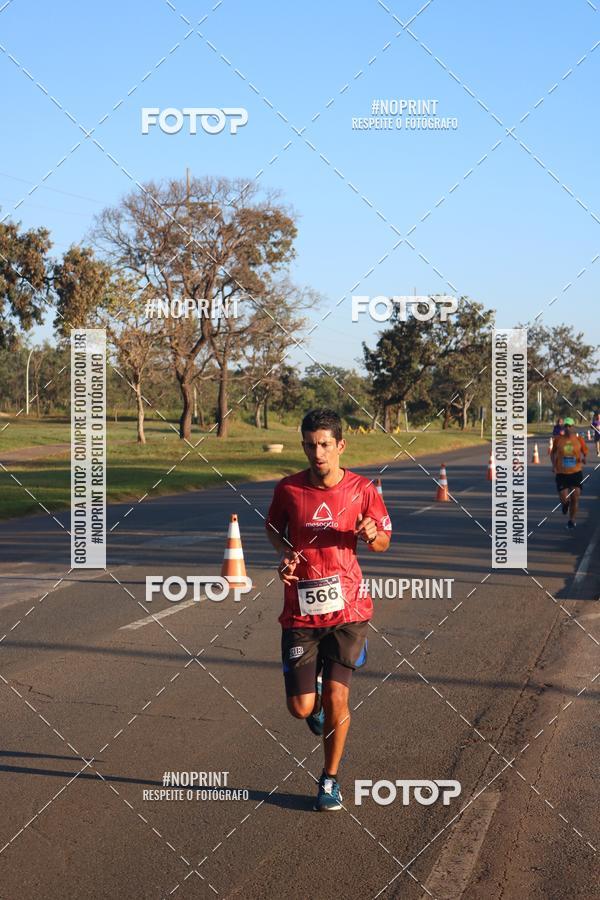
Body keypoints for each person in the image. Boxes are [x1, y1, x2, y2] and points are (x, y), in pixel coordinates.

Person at [265, 408, 392, 811]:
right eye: (309, 445)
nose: (316, 453)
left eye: (324, 445)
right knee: (301, 708)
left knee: (339, 697)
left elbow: (384, 540)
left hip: (349, 609)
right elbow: (273, 528)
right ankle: (313, 694)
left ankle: (330, 779)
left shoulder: (362, 489)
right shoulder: (288, 489)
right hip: (301, 611)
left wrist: (372, 534)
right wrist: (285, 553)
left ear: (340, 446)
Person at [551, 417, 587, 529]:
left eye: (569, 426)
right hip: (562, 473)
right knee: (564, 498)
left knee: (575, 497)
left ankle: (572, 520)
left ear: (573, 427)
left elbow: (585, 452)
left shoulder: (579, 439)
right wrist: (553, 465)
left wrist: (584, 458)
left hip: (576, 472)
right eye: (565, 426)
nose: (567, 428)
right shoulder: (558, 440)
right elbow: (553, 453)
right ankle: (565, 504)